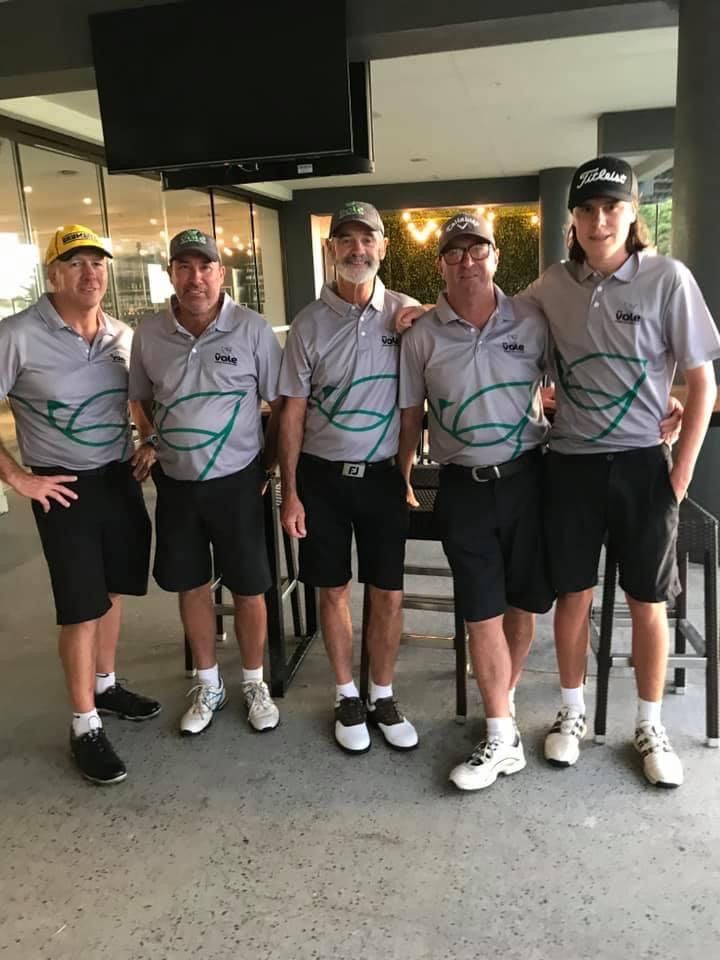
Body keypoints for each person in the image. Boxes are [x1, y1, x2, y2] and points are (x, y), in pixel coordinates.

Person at [520, 156, 720, 788]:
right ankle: (571, 713)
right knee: (573, 596)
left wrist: (679, 476)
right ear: (573, 220)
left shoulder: (668, 278)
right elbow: (492, 321)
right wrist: (415, 313)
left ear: (632, 213)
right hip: (571, 465)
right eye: (587, 209)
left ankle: (650, 725)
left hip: (642, 468)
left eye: (611, 208)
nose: (599, 220)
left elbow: (703, 382)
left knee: (647, 601)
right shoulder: (552, 284)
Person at [398, 213, 554, 790]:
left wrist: (664, 401)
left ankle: (502, 713)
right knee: (480, 609)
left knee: (522, 605)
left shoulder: (533, 321)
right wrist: (402, 474)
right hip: (462, 486)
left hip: (528, 480)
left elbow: (581, 375)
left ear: (495, 256)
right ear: (440, 264)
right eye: (454, 252)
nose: (467, 261)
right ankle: (499, 731)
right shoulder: (421, 334)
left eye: (477, 249)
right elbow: (410, 415)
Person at [0, 224, 160, 786]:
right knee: (79, 607)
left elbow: (136, 400)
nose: (90, 273)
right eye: (75, 264)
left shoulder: (121, 334)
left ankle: (105, 686)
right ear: (53, 275)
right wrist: (18, 478)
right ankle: (83, 723)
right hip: (62, 488)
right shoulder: (17, 334)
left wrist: (150, 439)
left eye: (97, 263)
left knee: (112, 591)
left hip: (118, 481)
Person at [278, 201, 419, 754]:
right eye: (346, 240)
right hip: (322, 479)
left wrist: (405, 474)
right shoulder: (308, 324)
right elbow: (292, 412)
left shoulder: (406, 314)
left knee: (388, 593)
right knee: (332, 588)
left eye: (367, 239)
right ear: (331, 248)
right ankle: (346, 695)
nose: (357, 249)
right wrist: (290, 491)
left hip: (383, 478)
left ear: (383, 247)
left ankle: (382, 693)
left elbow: (413, 410)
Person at [129, 228, 282, 737]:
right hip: (176, 484)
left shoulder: (252, 329)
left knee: (249, 587)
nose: (195, 278)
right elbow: (141, 398)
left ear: (221, 273)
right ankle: (209, 682)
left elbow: (281, 404)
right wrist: (151, 438)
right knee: (191, 584)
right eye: (184, 267)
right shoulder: (149, 333)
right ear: (171, 274)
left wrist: (269, 465)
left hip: (238, 482)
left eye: (205, 267)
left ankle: (254, 682)